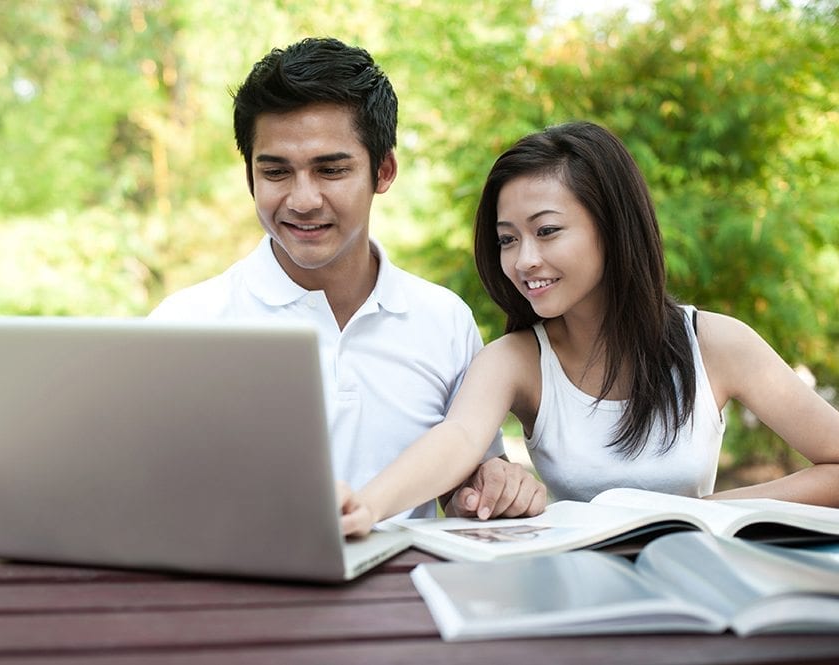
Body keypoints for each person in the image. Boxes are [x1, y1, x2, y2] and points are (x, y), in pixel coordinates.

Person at [341, 120, 839, 536]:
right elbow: (457, 439)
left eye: (547, 230)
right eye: (508, 239)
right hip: (573, 589)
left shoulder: (713, 343)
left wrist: (702, 512)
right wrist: (367, 506)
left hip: (700, 581)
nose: (524, 260)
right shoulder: (515, 360)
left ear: (612, 226)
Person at [149, 37, 545, 519]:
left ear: (384, 170)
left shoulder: (444, 321)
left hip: (404, 592)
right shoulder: (186, 323)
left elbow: (467, 482)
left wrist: (496, 483)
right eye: (276, 172)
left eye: (330, 170)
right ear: (251, 176)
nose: (302, 199)